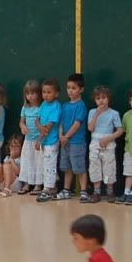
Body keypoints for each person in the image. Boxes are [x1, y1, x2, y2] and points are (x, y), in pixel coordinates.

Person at [85, 85, 123, 203]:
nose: (101, 100)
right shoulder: (92, 112)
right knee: (94, 167)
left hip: (108, 145)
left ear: (108, 98)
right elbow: (90, 128)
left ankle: (110, 191)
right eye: (98, 98)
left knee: (109, 167)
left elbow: (120, 130)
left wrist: (108, 138)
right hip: (95, 145)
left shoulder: (114, 113)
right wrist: (97, 114)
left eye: (103, 97)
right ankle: (96, 192)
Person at [57, 73, 88, 201]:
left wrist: (66, 137)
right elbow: (61, 123)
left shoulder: (81, 106)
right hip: (65, 142)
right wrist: (61, 136)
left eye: (73, 88)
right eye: (68, 87)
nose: (70, 90)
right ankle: (66, 190)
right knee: (67, 167)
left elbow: (77, 124)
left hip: (77, 142)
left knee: (80, 167)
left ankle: (84, 191)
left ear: (81, 89)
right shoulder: (64, 106)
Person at [36, 79, 63, 202]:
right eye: (44, 92)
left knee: (49, 164)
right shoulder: (42, 105)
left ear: (56, 93)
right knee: (45, 164)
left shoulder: (56, 106)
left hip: (51, 141)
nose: (46, 95)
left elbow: (49, 126)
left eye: (49, 92)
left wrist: (39, 139)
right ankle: (53, 186)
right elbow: (37, 119)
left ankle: (48, 189)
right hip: (44, 141)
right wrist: (39, 127)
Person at [17, 80, 43, 195]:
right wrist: (23, 127)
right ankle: (28, 183)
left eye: (33, 93)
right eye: (28, 94)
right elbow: (21, 121)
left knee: (38, 162)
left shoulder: (41, 108)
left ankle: (38, 184)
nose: (30, 96)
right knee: (27, 161)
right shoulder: (25, 108)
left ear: (38, 94)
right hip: (28, 140)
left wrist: (40, 139)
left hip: (38, 140)